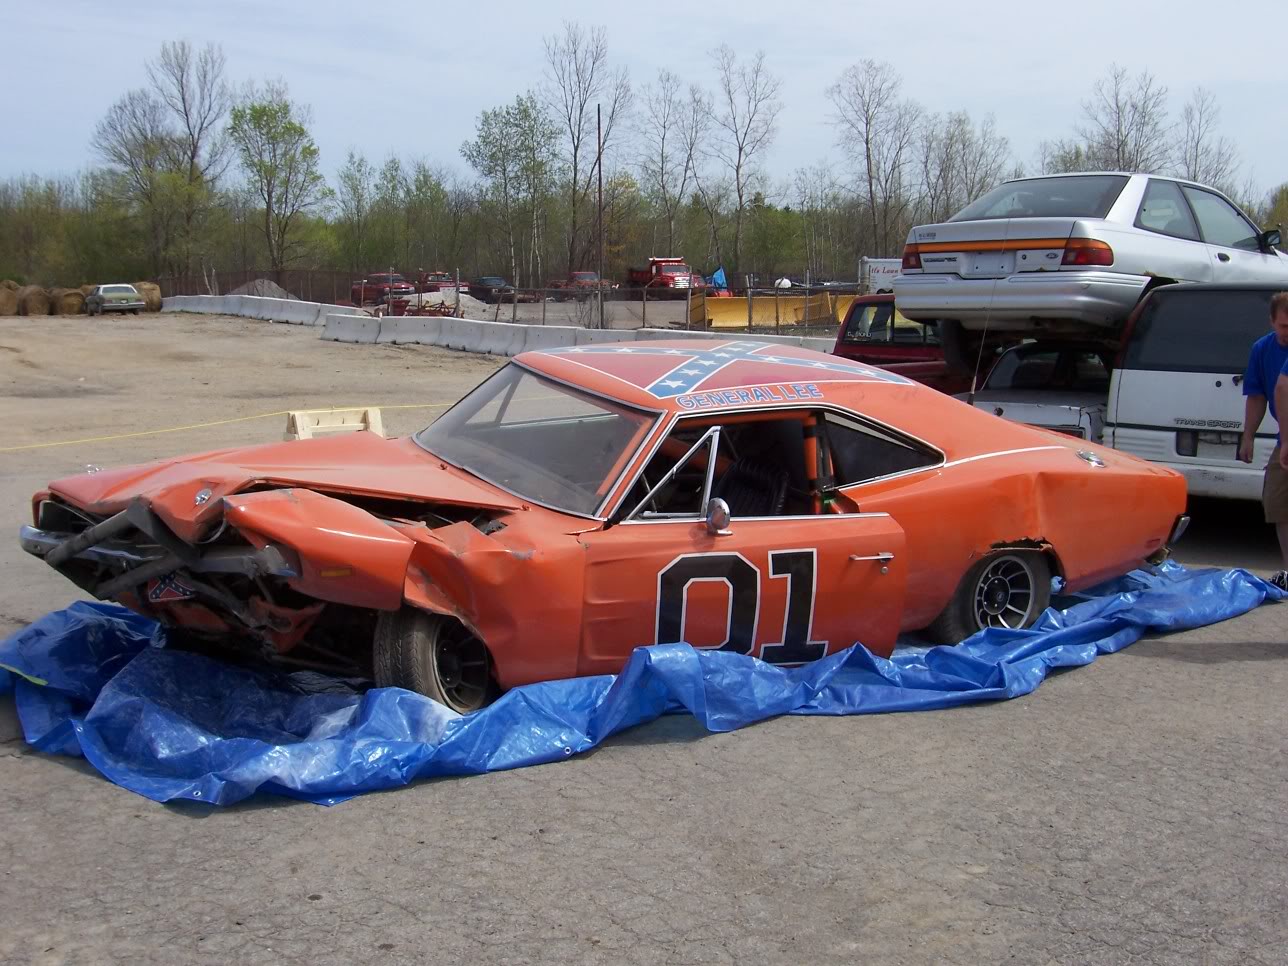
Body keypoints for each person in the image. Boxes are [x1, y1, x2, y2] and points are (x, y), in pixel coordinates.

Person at [1238, 291, 1288, 590]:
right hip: (1285, 438)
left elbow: (1283, 389)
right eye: (1284, 326)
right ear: (1272, 321)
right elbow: (1257, 395)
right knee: (1278, 502)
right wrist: (1248, 437)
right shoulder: (1263, 349)